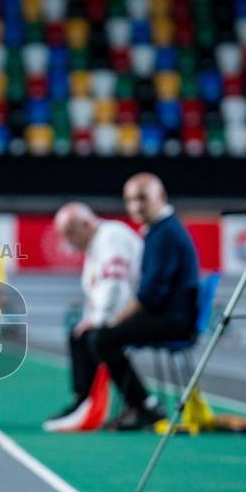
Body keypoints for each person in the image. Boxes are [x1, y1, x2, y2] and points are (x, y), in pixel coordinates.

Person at [90, 173, 200, 431]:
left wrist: (116, 319)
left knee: (102, 338)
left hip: (173, 321)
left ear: (161, 197)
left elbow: (150, 295)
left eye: (142, 198)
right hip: (166, 315)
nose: (136, 206)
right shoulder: (159, 230)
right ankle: (136, 405)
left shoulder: (165, 233)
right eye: (130, 200)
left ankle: (144, 407)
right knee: (100, 334)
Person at [43, 202, 143, 432]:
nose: (68, 240)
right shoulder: (96, 244)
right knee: (79, 334)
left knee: (92, 337)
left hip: (135, 310)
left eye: (70, 233)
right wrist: (91, 317)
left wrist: (98, 319)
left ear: (86, 224)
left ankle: (136, 403)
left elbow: (114, 285)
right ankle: (83, 400)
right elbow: (97, 291)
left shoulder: (110, 237)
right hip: (123, 310)